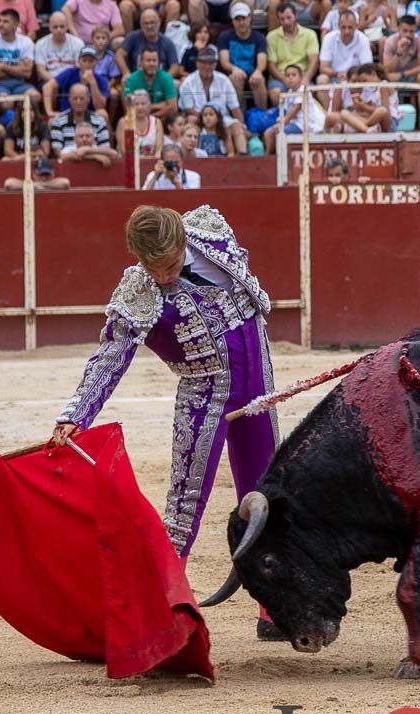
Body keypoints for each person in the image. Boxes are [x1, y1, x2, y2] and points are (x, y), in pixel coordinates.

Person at [50, 204, 282, 638]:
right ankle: (164, 610)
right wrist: (76, 415)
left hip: (258, 384)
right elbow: (110, 356)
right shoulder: (138, 291)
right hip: (203, 395)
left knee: (269, 489)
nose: (164, 278)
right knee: (184, 505)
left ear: (182, 244)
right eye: (153, 269)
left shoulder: (210, 232)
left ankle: (275, 605)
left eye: (172, 265)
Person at [178, 47, 246, 153]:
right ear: (197, 64)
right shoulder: (188, 82)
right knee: (191, 120)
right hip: (198, 118)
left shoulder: (224, 80)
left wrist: (243, 126)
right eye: (204, 63)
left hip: (222, 119)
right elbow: (189, 109)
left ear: (215, 64)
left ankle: (242, 157)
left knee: (237, 126)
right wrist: (207, 117)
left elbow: (235, 108)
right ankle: (194, 157)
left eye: (211, 63)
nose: (207, 66)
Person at [263, 63, 326, 152]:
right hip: (293, 124)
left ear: (300, 78)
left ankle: (274, 157)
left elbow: (295, 109)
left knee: (277, 132)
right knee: (267, 133)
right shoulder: (289, 93)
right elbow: (285, 110)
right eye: (287, 76)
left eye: (294, 75)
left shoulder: (303, 90)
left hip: (304, 126)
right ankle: (269, 157)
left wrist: (282, 123)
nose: (290, 78)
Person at [266, 2, 319, 108]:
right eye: (282, 19)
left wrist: (306, 78)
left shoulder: (310, 34)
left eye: (289, 17)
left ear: (296, 16)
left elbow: (314, 60)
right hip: (280, 78)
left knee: (307, 90)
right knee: (275, 93)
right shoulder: (271, 37)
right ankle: (281, 121)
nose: (286, 22)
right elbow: (271, 65)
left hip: (302, 76)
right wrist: (285, 79)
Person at [0, 9, 40, 107]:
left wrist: (2, 66)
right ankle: (11, 121)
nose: (0, 24)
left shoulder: (26, 42)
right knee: (6, 103)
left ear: (16, 24)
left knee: (35, 96)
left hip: (20, 84)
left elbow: (27, 73)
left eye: (5, 21)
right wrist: (17, 68)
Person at [219, 3, 268, 110]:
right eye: (237, 19)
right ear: (232, 21)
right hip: (234, 74)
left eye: (244, 18)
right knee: (235, 78)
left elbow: (262, 61)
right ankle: (239, 117)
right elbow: (224, 61)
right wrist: (234, 69)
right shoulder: (225, 37)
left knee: (259, 79)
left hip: (252, 73)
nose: (241, 22)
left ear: (249, 18)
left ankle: (262, 115)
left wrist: (258, 71)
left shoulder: (259, 37)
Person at [45, 45, 110, 122]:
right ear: (79, 62)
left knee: (102, 114)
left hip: (89, 116)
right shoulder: (70, 73)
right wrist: (49, 111)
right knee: (51, 121)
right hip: (68, 114)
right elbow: (47, 87)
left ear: (96, 62)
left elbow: (100, 107)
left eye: (91, 61)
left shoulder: (102, 80)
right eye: (84, 60)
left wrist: (93, 83)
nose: (87, 64)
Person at [331, 62, 396, 132]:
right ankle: (367, 129)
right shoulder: (373, 88)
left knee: (381, 111)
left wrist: (364, 107)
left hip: (389, 122)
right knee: (345, 113)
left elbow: (386, 112)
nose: (364, 84)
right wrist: (360, 107)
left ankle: (365, 126)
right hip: (376, 120)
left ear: (373, 74)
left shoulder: (383, 86)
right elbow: (371, 110)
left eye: (365, 80)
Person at [116, 9, 181, 79]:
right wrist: (126, 73)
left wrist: (165, 79)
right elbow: (119, 55)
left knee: (176, 84)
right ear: (141, 25)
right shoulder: (133, 37)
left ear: (159, 23)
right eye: (145, 23)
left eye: (152, 22)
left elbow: (175, 66)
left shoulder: (167, 42)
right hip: (137, 79)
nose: (149, 26)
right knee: (124, 81)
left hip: (159, 80)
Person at [51, 81, 111, 154]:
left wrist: (86, 151)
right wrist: (93, 155)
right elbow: (58, 153)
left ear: (88, 99)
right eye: (75, 98)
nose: (78, 102)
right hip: (69, 162)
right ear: (69, 99)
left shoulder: (99, 121)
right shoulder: (58, 121)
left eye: (82, 98)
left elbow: (106, 149)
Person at [317, 10, 372, 85]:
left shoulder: (363, 39)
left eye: (350, 27)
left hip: (357, 79)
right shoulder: (328, 38)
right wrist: (337, 74)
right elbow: (323, 68)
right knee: (322, 79)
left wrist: (351, 75)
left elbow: (367, 67)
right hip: (334, 78)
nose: (347, 31)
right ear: (338, 25)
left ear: (356, 26)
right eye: (343, 27)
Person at [126, 46, 179, 117]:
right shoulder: (132, 79)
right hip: (138, 118)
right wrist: (163, 104)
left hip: (161, 117)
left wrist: (151, 117)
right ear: (141, 62)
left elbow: (173, 108)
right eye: (148, 60)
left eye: (154, 60)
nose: (151, 64)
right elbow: (129, 106)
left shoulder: (166, 78)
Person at [37, 12, 86, 82]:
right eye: (55, 27)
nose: (59, 30)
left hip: (72, 80)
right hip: (49, 81)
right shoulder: (41, 44)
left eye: (62, 26)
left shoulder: (78, 43)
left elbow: (80, 68)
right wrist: (57, 82)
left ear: (67, 26)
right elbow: (41, 71)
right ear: (49, 27)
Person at [383, 14, 420, 87]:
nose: (408, 35)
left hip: (412, 74)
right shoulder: (390, 41)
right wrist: (398, 53)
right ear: (399, 29)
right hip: (394, 75)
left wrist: (402, 74)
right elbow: (386, 69)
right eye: (405, 31)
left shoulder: (419, 41)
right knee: (387, 77)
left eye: (411, 31)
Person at [117, 89, 162, 155]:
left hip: (151, 162)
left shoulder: (156, 122)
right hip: (129, 161)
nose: (140, 107)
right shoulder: (123, 122)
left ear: (149, 105)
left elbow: (159, 150)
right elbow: (124, 150)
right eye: (136, 104)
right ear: (131, 106)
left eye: (143, 104)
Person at [4, 157, 72, 189]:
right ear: (34, 174)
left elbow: (66, 183)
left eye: (47, 174)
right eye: (41, 174)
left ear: (53, 174)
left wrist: (42, 184)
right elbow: (8, 184)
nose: (44, 178)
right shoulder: (31, 185)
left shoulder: (56, 183)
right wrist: (34, 185)